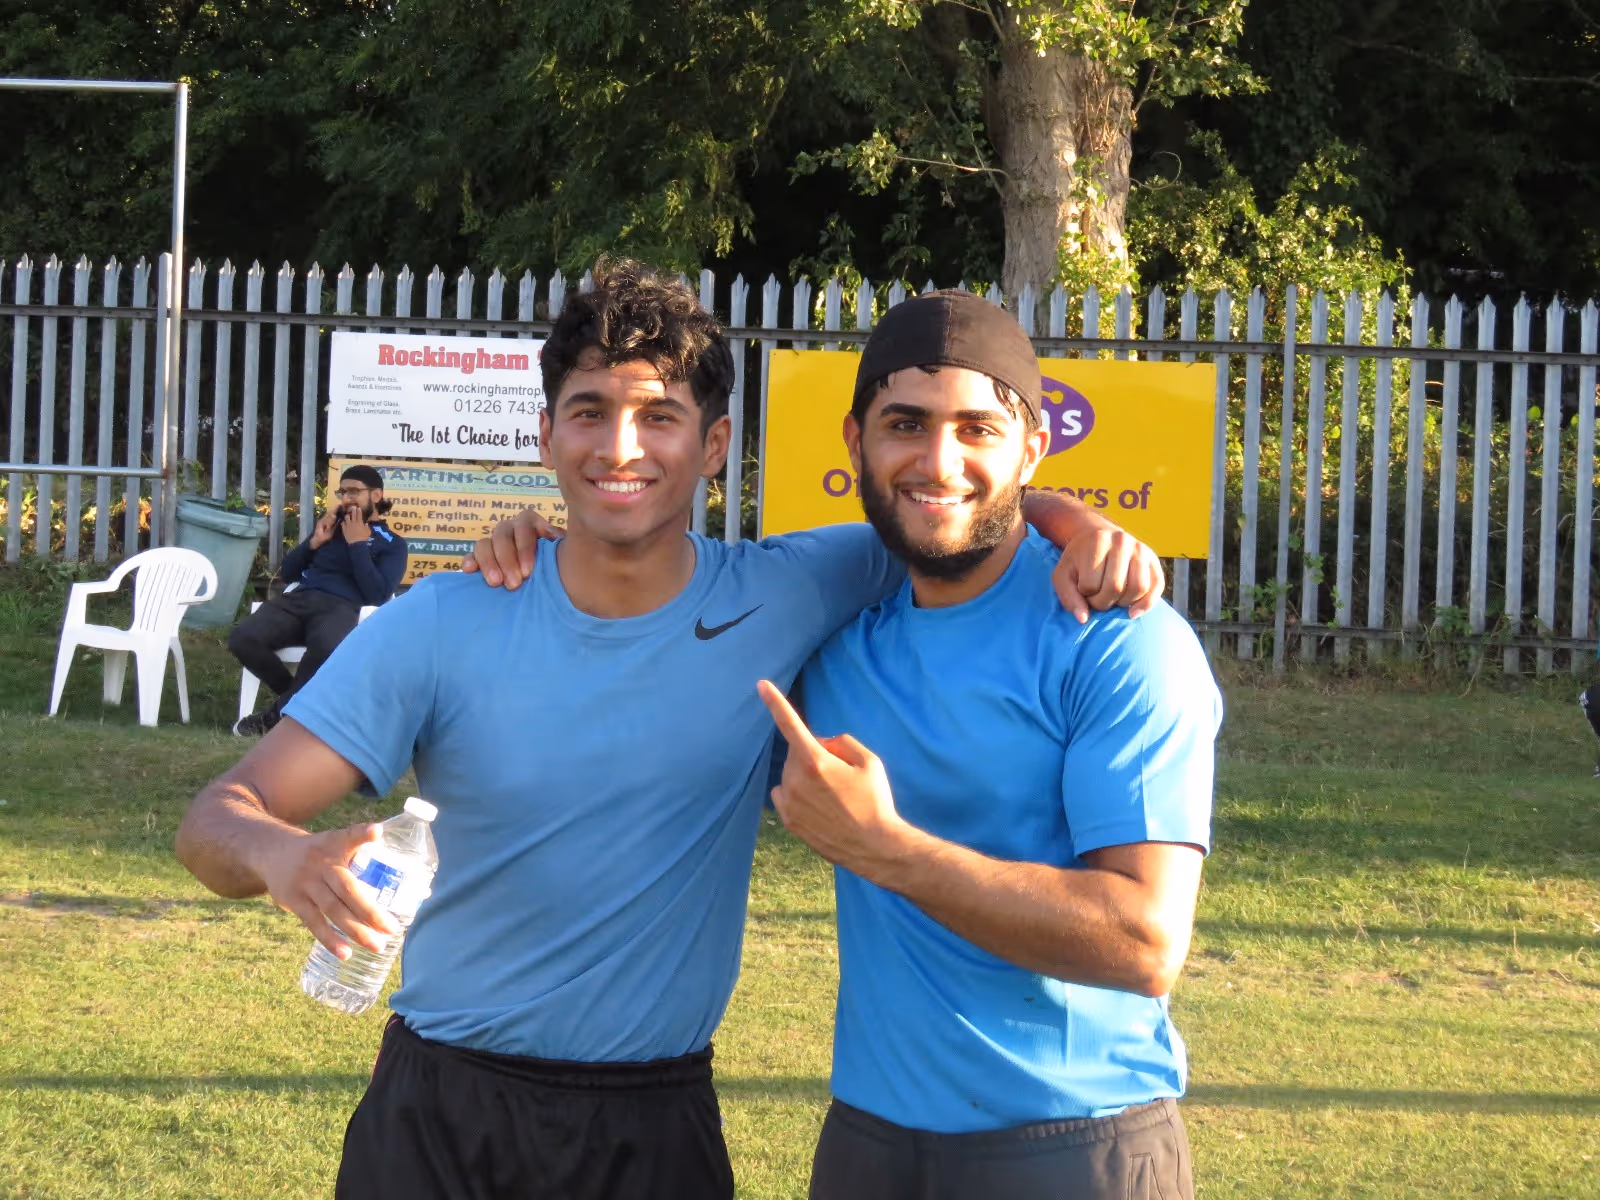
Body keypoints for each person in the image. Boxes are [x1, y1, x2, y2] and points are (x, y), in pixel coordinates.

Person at [176, 260, 1164, 1200]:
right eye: (589, 413)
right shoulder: (445, 621)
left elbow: (950, 500)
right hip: (439, 1111)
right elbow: (216, 821)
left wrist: (1074, 521)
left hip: (654, 1123)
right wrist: (279, 856)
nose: (620, 449)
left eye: (659, 416)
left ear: (714, 443)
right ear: (544, 434)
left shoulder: (787, 590)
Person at [752, 289, 1223, 1200]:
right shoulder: (835, 626)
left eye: (978, 429)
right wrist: (528, 545)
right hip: (867, 1147)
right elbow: (646, 592)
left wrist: (890, 853)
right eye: (906, 425)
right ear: (855, 443)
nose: (940, 460)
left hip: (1075, 1147)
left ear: (1032, 446)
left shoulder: (1118, 637)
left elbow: (1146, 940)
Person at [227, 464, 407, 736]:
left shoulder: (392, 543)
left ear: (377, 496)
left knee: (327, 650)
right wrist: (313, 543)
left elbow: (378, 594)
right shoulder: (330, 529)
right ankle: (300, 704)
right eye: (343, 492)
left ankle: (273, 719)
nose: (346, 498)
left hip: (341, 608)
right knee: (242, 638)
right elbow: (288, 573)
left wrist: (358, 545)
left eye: (354, 491)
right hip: (299, 600)